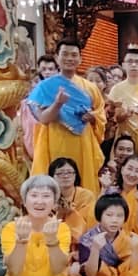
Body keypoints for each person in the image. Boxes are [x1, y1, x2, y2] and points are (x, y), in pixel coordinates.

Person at [30, 40, 106, 194]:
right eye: (65, 54)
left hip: (83, 143)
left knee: (82, 183)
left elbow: (100, 117)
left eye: (74, 55)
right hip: (54, 141)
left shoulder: (90, 88)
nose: (69, 58)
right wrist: (58, 103)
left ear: (80, 59)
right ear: (57, 58)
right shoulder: (45, 87)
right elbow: (43, 119)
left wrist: (92, 118)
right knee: (55, 180)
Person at [20, 54, 59, 160]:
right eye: (44, 69)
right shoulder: (30, 98)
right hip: (36, 136)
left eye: (50, 69)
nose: (47, 72)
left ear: (57, 70)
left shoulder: (62, 89)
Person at [49, 157, 95, 240]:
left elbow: (88, 224)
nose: (66, 176)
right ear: (52, 177)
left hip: (82, 240)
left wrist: (71, 212)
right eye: (60, 173)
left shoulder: (86, 196)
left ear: (75, 175)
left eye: (69, 172)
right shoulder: (47, 197)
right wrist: (60, 214)